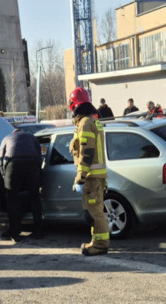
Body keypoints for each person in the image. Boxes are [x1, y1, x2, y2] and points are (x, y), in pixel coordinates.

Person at [68, 87, 109, 257]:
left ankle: (100, 245)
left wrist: (80, 178)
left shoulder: (85, 123)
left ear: (74, 105)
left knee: (95, 212)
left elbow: (87, 153)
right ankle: (97, 241)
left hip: (91, 177)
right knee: (94, 212)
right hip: (95, 177)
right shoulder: (92, 121)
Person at [0, 128, 44, 242]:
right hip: (32, 165)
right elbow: (40, 156)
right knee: (35, 198)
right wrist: (38, 173)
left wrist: (4, 175)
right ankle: (38, 231)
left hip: (13, 165)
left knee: (12, 199)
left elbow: (1, 159)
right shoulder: (32, 137)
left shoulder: (6, 138)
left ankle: (14, 233)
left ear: (13, 133)